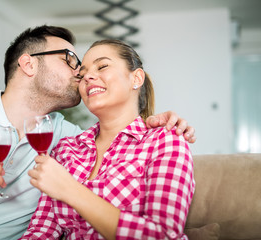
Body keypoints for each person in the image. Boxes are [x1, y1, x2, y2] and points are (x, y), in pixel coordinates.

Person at [0, 25, 195, 239]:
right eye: (71, 61)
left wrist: (161, 121)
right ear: (28, 64)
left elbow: (120, 131)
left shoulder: (64, 139)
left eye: (91, 67)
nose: (82, 73)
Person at [21, 39, 195, 239]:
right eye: (82, 74)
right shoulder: (66, 149)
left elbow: (163, 235)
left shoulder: (165, 141)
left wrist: (71, 190)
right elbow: (41, 231)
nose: (88, 77)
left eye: (102, 66)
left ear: (136, 78)